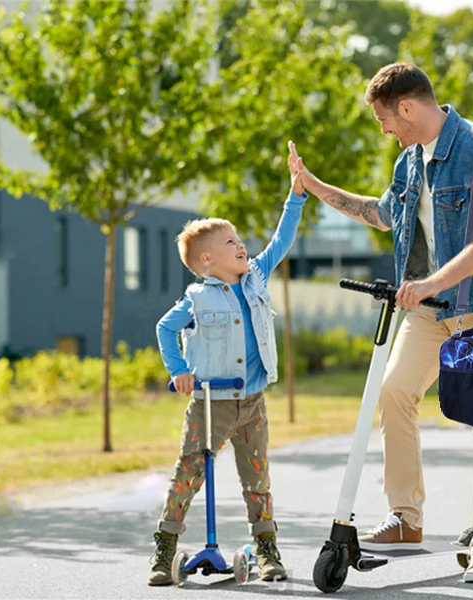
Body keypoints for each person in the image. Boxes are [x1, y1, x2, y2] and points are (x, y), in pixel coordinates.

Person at [293, 62, 473, 584]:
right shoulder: (410, 162)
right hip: (432, 309)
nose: (384, 130)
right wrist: (312, 184)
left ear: (407, 107)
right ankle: (406, 518)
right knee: (393, 392)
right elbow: (382, 213)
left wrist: (432, 282)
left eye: (385, 119)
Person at [146, 142, 311, 586]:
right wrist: (178, 369)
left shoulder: (255, 275)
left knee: (257, 478)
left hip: (252, 401)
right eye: (230, 243)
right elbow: (165, 328)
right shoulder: (197, 297)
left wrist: (295, 195)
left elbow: (282, 240)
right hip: (209, 403)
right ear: (206, 260)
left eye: (240, 240)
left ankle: (267, 548)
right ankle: (164, 549)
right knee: (189, 472)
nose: (242, 246)